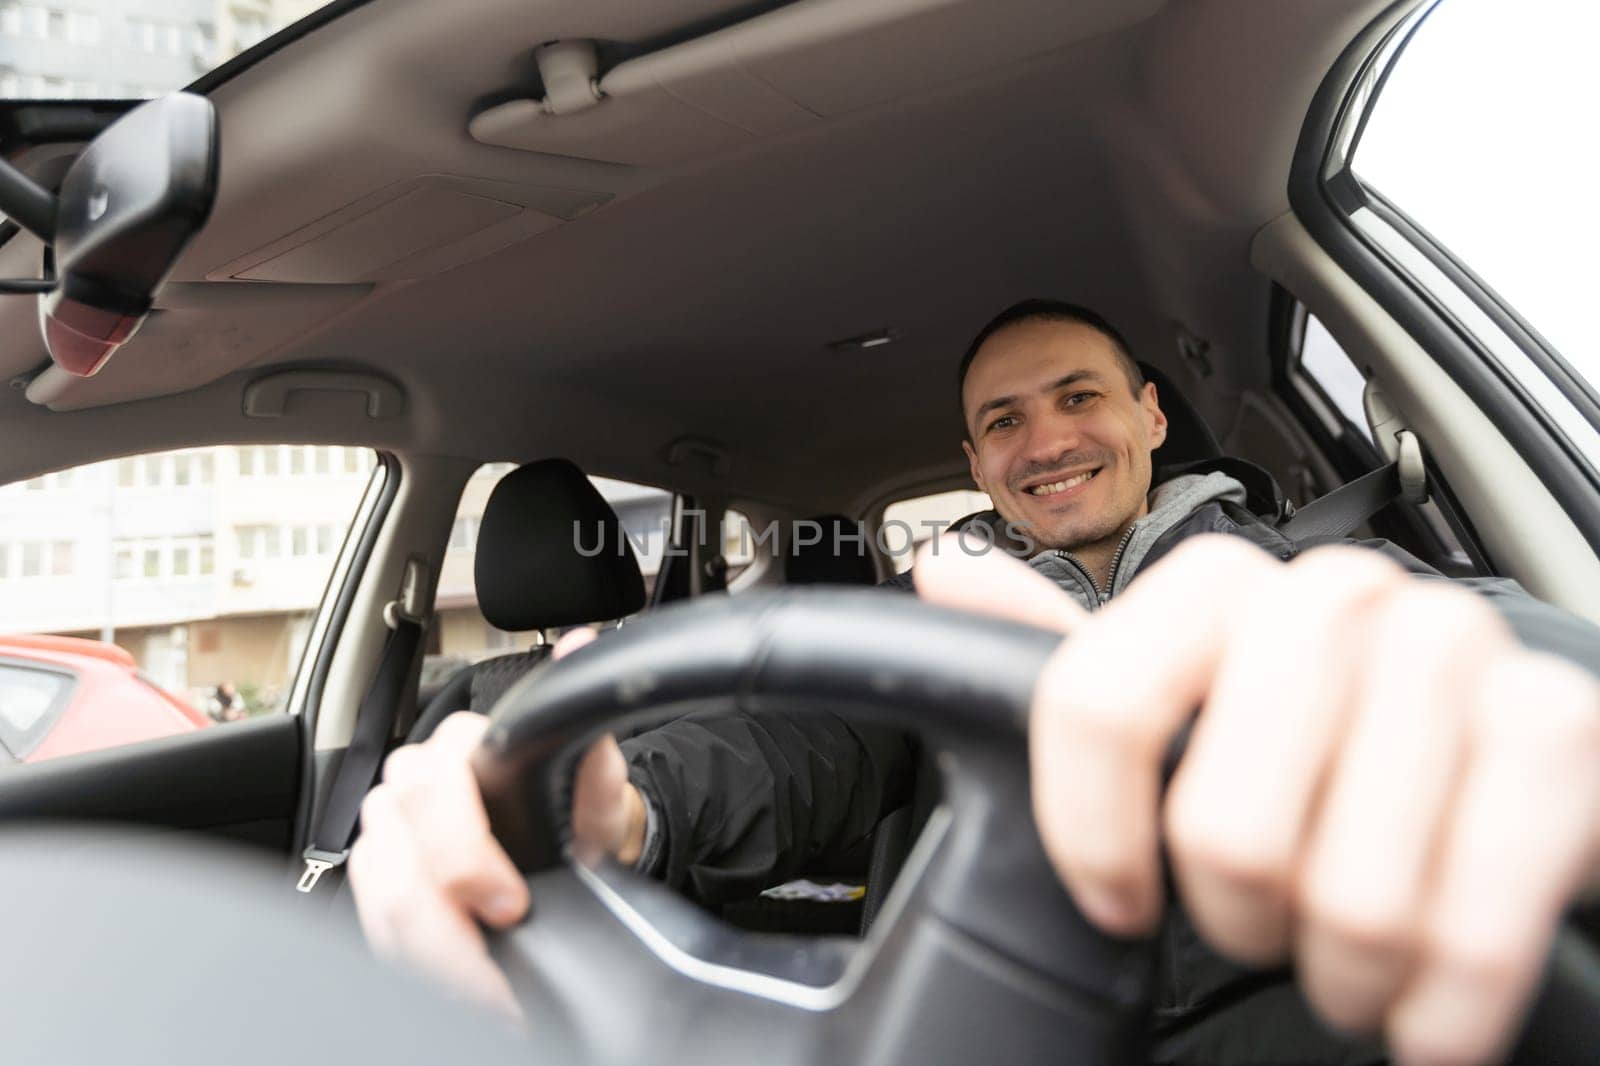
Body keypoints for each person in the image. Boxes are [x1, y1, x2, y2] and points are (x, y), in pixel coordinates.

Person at [350, 300, 1600, 1065]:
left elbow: (1485, 660)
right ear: (973, 460)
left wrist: (1506, 708)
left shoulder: (1315, 572)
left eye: (1077, 398)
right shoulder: (921, 621)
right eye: (1004, 421)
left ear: (1153, 417)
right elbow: (800, 741)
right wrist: (627, 805)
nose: (1046, 439)